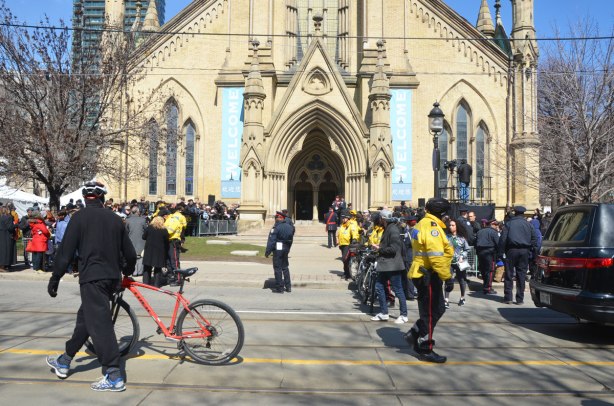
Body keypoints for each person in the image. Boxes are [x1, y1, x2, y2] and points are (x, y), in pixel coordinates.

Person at [45, 181, 137, 392]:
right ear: (102, 198)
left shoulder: (78, 218)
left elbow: (65, 252)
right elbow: (130, 253)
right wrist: (128, 270)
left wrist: (55, 277)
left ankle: (114, 375)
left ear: (86, 199)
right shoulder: (115, 219)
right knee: (86, 320)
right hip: (111, 278)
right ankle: (65, 360)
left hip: (92, 278)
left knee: (100, 325)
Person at [404, 197, 454, 363]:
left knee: (433, 310)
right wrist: (447, 277)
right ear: (442, 213)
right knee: (432, 313)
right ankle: (426, 349)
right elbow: (436, 257)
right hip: (429, 275)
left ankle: (415, 333)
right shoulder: (432, 228)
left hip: (423, 273)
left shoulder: (421, 224)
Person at [370, 213, 408, 323]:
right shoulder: (388, 228)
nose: (378, 220)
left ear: (383, 219)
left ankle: (404, 315)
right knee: (379, 286)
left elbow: (394, 249)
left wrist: (379, 249)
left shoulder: (393, 229)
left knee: (398, 290)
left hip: (392, 265)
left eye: (379, 218)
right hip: (386, 265)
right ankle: (384, 313)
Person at [498, 206, 537, 305]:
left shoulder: (509, 224)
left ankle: (508, 298)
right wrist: (531, 250)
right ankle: (520, 299)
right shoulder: (529, 225)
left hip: (511, 250)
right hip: (524, 251)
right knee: (521, 275)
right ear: (523, 213)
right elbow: (534, 239)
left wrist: (500, 252)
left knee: (509, 275)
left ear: (515, 212)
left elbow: (503, 239)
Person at [265, 211, 294, 293]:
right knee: (285, 267)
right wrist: (288, 249)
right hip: (286, 248)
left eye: (276, 218)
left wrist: (267, 251)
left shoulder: (276, 228)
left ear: (280, 218)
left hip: (278, 248)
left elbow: (272, 241)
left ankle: (279, 287)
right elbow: (291, 240)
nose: (275, 219)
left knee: (278, 268)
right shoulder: (289, 227)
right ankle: (288, 287)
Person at [444, 219, 471, 307]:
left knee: (461, 280)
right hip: (449, 262)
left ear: (457, 226)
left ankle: (462, 298)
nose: (450, 227)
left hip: (460, 262)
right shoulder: (446, 237)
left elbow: (467, 249)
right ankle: (446, 300)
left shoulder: (462, 238)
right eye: (450, 225)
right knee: (448, 280)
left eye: (453, 225)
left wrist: (462, 256)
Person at [142, 214, 170, 287]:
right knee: (158, 268)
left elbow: (143, 237)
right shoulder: (164, 230)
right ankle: (156, 284)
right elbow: (167, 241)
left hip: (149, 250)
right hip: (159, 250)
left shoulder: (149, 228)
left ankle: (145, 283)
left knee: (147, 267)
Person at [475, 219, 500, 295]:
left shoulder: (479, 232)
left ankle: (485, 286)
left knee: (484, 270)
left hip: (480, 253)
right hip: (490, 253)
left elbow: (475, 242)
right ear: (491, 225)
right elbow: (498, 243)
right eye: (494, 224)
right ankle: (488, 288)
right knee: (490, 271)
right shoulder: (493, 232)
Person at [125, 206, 147, 277]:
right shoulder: (143, 220)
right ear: (138, 212)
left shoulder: (128, 220)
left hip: (131, 239)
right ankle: (140, 271)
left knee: (133, 256)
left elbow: (126, 231)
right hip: (141, 240)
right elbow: (146, 230)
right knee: (140, 256)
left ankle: (134, 272)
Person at [337, 211, 360, 280]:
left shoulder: (351, 224)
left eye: (344, 218)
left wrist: (354, 239)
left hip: (348, 244)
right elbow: (340, 233)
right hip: (342, 244)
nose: (342, 219)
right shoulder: (343, 225)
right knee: (345, 260)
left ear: (348, 218)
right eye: (342, 218)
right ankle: (346, 273)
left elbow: (354, 232)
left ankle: (348, 274)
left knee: (345, 259)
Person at [0, 206, 17, 271]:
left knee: (2, 250)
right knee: (6, 251)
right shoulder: (8, 217)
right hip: (6, 235)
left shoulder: (1, 217)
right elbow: (10, 227)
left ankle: (2, 265)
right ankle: (3, 266)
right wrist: (16, 225)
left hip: (1, 234)